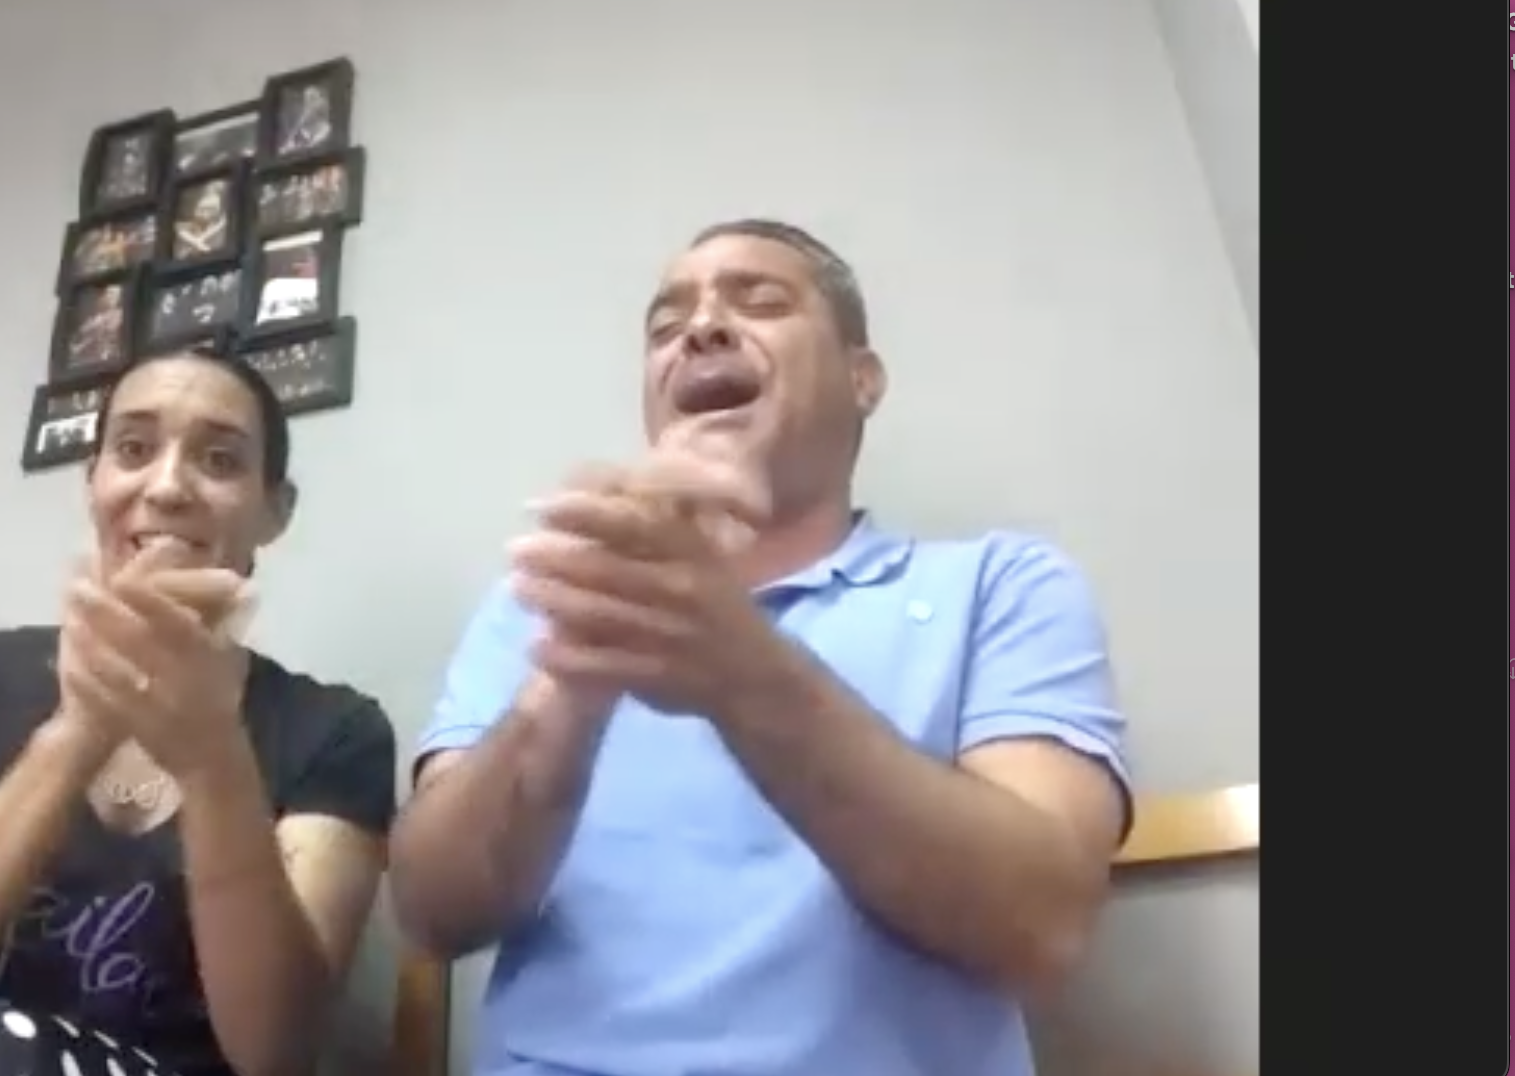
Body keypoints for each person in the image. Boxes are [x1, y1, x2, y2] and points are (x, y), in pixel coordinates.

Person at [389, 220, 1132, 1076]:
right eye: (665, 327)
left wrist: (739, 667)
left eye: (763, 302)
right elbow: (431, 914)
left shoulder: (1004, 586)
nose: (701, 329)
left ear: (862, 378)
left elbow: (1041, 927)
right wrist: (574, 670)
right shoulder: (538, 604)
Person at [0, 347, 398, 1076]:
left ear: (275, 511)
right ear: (92, 481)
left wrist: (214, 755)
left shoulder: (336, 731)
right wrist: (83, 727)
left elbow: (276, 1055)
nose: (167, 486)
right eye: (132, 449)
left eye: (219, 461)